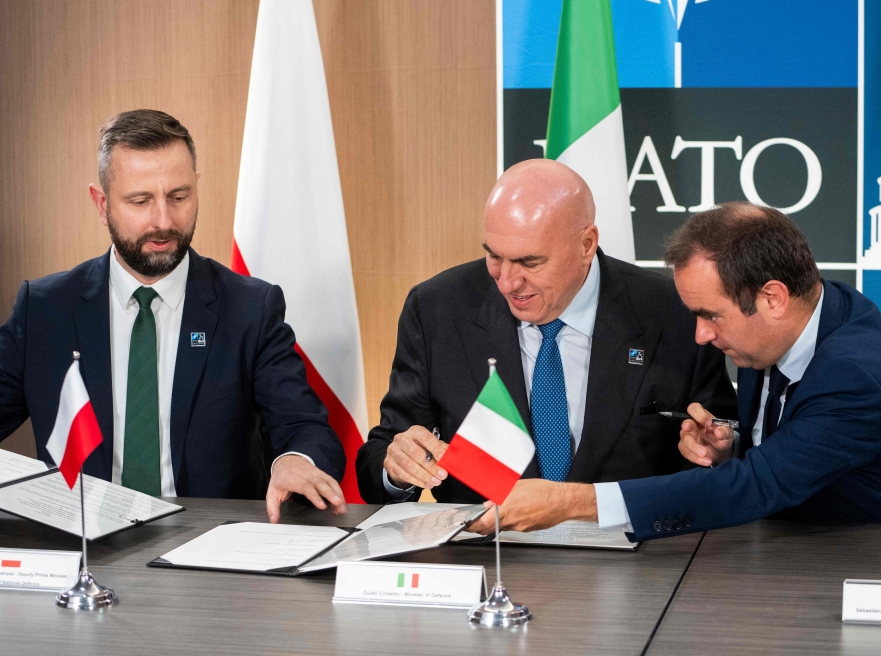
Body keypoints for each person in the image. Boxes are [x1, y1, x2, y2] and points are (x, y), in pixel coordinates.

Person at [468, 202, 881, 537]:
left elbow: (756, 487)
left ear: (772, 298)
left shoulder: (858, 376)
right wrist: (731, 448)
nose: (701, 336)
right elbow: (784, 459)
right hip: (801, 542)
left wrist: (571, 503)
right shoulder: (788, 325)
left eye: (711, 316)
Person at [0, 109, 347, 523]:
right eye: (140, 201)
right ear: (101, 202)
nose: (163, 221)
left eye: (179, 197)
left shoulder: (250, 309)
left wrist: (293, 460)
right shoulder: (45, 309)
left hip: (208, 554)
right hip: (82, 553)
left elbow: (306, 429)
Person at [355, 159, 737, 504]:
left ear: (586, 244)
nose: (507, 282)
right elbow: (381, 458)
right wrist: (397, 469)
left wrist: (718, 450)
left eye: (530, 262)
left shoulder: (673, 312)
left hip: (635, 562)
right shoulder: (438, 310)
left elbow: (725, 450)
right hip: (488, 557)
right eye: (494, 256)